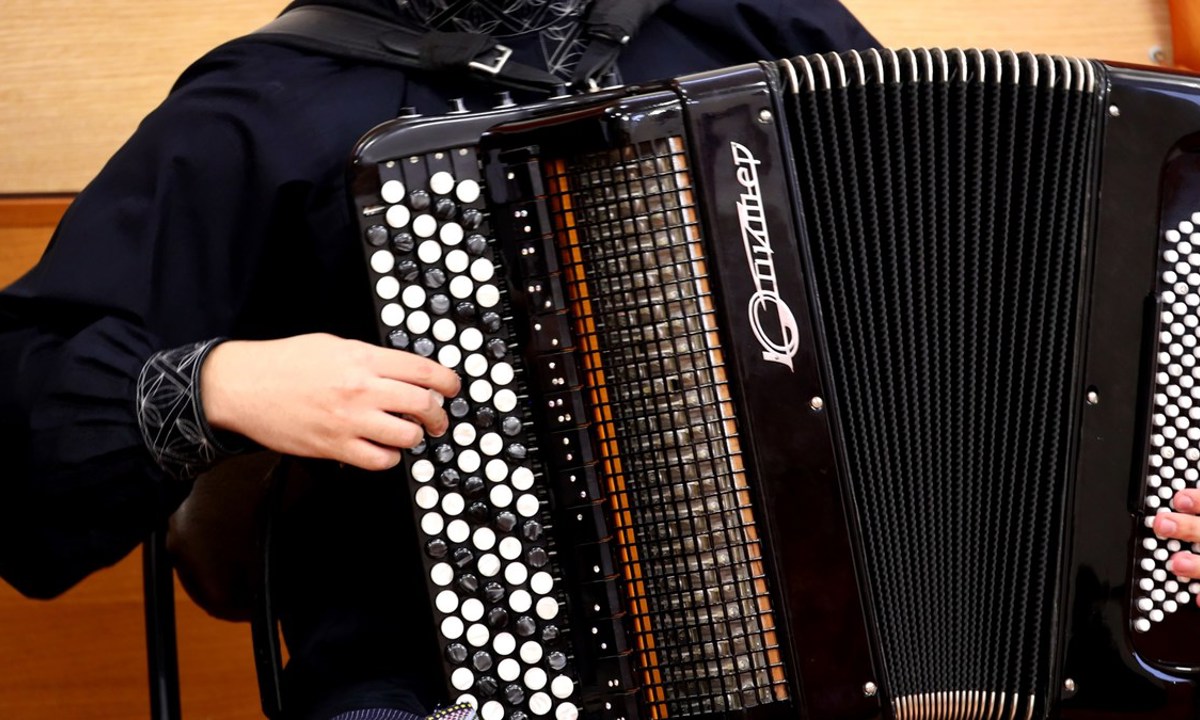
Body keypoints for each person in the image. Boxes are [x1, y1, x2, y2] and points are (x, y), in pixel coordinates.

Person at [0, 1, 879, 718]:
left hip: (859, 644)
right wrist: (214, 384)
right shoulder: (264, 105)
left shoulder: (758, 26)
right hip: (426, 676)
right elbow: (24, 399)